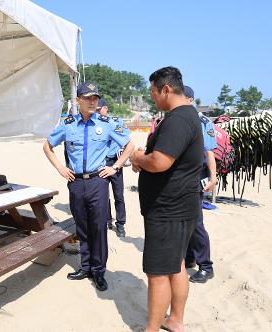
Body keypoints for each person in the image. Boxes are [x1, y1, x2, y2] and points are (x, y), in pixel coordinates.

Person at [130, 67, 203, 332]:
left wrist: (138, 158)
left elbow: (160, 162)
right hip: (182, 205)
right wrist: (145, 161)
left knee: (159, 272)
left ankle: (152, 328)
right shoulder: (188, 115)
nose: (152, 97)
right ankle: (175, 320)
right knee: (176, 265)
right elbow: (167, 159)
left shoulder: (177, 119)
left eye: (152, 91)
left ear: (166, 89)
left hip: (168, 209)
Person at [43, 82, 134, 291]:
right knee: (82, 226)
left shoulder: (106, 123)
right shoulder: (68, 124)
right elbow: (47, 146)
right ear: (78, 101)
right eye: (88, 98)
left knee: (99, 227)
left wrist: (116, 167)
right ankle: (85, 267)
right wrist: (60, 168)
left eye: (95, 98)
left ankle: (99, 271)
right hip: (75, 182)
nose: (93, 102)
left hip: (97, 182)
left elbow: (129, 145)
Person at [183, 86, 217, 283]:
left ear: (189, 100)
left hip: (196, 175)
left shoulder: (202, 122)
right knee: (186, 220)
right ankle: (190, 257)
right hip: (183, 176)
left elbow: (209, 152)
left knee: (196, 222)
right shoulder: (179, 118)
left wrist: (213, 177)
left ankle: (206, 266)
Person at [96, 99, 128, 238]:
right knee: (104, 196)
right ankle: (108, 219)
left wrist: (120, 161)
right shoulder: (95, 123)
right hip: (101, 164)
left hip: (115, 164)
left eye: (99, 109)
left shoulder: (116, 122)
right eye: (95, 110)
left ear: (105, 108)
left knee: (119, 195)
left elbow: (126, 138)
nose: (97, 112)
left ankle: (120, 224)